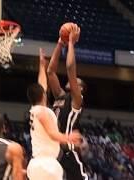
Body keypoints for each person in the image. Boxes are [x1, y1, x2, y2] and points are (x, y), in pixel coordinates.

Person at [26, 48, 82, 180]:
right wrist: (69, 137)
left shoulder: (34, 109)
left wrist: (42, 65)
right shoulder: (42, 112)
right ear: (43, 95)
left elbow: (42, 84)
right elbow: (52, 134)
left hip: (36, 164)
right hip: (47, 165)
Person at [47, 23, 88, 180]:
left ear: (81, 89)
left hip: (68, 153)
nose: (73, 80)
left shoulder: (77, 100)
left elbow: (70, 68)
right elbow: (50, 72)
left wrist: (71, 42)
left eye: (77, 81)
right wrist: (60, 44)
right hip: (53, 151)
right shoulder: (60, 96)